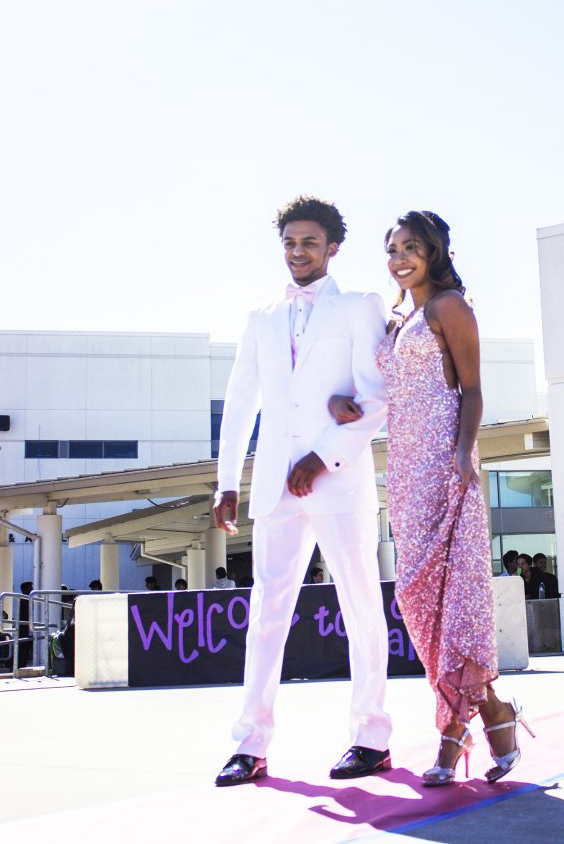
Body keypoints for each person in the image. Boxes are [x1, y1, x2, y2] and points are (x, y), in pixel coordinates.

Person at [329, 210, 534, 786]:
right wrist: (350, 404)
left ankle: (454, 731)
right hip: (406, 475)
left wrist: (464, 455)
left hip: (448, 469)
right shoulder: (399, 321)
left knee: (456, 601)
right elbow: (391, 392)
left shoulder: (449, 308)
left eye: (411, 247)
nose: (400, 259)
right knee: (421, 606)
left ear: (436, 251)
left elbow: (472, 390)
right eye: (392, 249)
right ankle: (490, 711)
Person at [213, 195, 391, 787]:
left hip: (337, 482)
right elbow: (241, 403)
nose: (298, 252)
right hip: (274, 489)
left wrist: (322, 454)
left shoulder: (359, 307)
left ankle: (371, 737)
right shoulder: (261, 317)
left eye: (309, 242)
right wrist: (227, 482)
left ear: (332, 247)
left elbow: (377, 400)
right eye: (290, 242)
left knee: (360, 603)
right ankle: (250, 746)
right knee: (266, 612)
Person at [18, 581, 34, 668]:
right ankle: (21, 665)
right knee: (23, 647)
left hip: (27, 627)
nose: (33, 590)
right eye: (31, 588)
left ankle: (22, 665)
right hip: (24, 627)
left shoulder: (27, 600)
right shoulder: (24, 600)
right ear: (26, 590)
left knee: (25, 647)